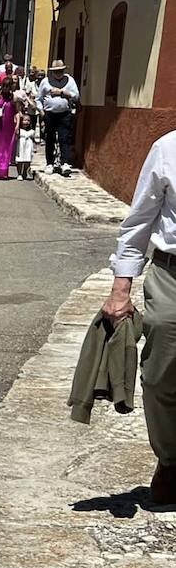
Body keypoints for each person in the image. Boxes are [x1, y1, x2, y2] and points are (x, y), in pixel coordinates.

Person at [103, 131, 176, 505]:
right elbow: (140, 220)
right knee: (160, 374)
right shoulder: (167, 149)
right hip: (172, 274)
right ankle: (171, 460)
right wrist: (121, 287)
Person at [39, 59, 80, 175]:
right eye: (56, 71)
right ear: (52, 72)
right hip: (49, 114)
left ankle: (64, 163)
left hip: (65, 113)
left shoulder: (70, 81)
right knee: (50, 138)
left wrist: (63, 93)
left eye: (60, 71)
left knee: (64, 138)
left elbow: (76, 96)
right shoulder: (45, 82)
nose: (58, 73)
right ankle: (49, 163)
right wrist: (41, 111)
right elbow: (38, 98)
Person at [0, 77, 20, 180]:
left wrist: (17, 126)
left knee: (5, 149)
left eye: (8, 86)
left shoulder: (14, 98)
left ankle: (2, 171)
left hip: (8, 126)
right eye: (4, 86)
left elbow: (17, 112)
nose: (6, 88)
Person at [16, 113, 36, 180]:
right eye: (25, 120)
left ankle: (25, 172)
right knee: (20, 160)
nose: (26, 122)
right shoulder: (19, 130)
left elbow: (34, 140)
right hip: (21, 145)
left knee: (27, 160)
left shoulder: (32, 131)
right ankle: (19, 174)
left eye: (28, 120)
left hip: (28, 146)